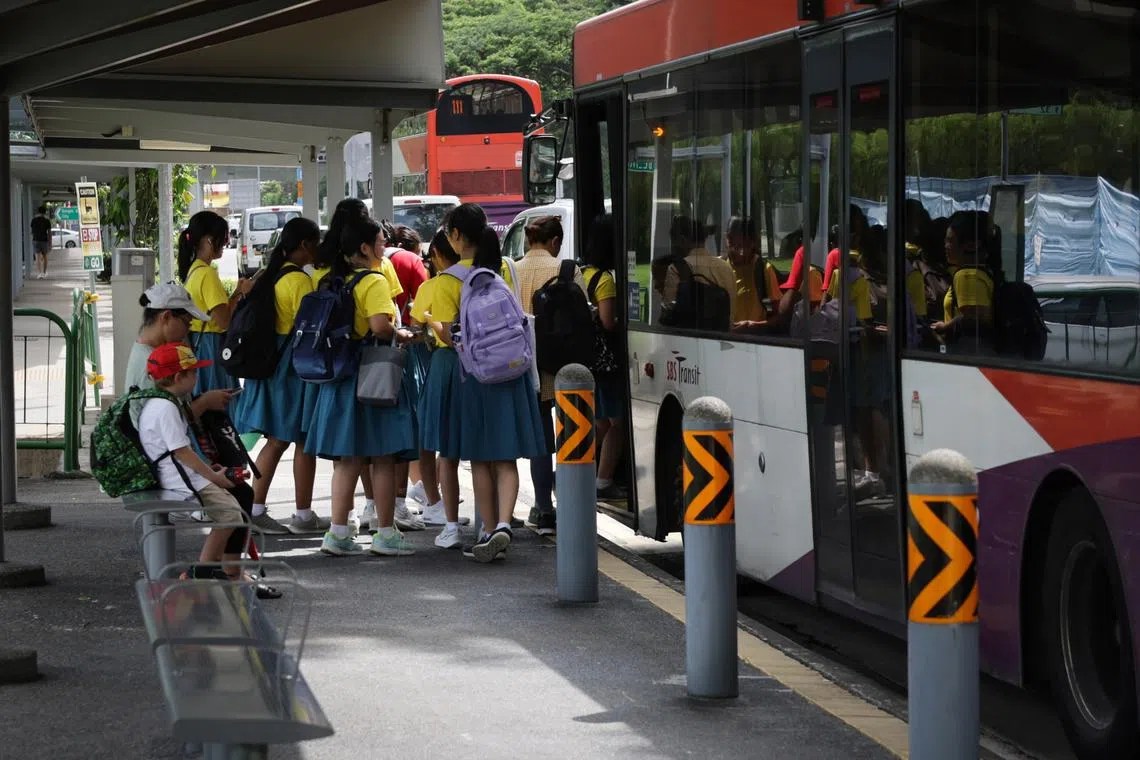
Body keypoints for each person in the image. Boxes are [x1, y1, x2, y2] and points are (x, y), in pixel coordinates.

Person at [426, 203, 545, 562]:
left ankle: (488, 529)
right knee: (505, 457)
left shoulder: (455, 277)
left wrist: (434, 326)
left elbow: (454, 335)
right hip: (513, 369)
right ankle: (506, 524)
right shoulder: (505, 269)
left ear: (459, 236)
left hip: (477, 376)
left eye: (449, 232)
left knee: (480, 457)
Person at [307, 217, 420, 557]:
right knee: (383, 456)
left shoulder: (330, 280)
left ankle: (338, 533)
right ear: (364, 248)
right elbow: (379, 327)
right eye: (381, 242)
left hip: (339, 377)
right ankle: (385, 533)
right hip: (372, 374)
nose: (385, 247)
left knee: (347, 459)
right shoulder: (374, 281)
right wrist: (402, 333)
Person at [232, 217, 322, 536]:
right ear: (303, 245)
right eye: (315, 242)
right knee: (286, 438)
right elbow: (309, 325)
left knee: (287, 438)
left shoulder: (270, 275)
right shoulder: (298, 281)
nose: (318, 248)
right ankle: (263, 510)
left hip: (272, 362)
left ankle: (300, 512)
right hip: (291, 365)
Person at [137, 343, 250, 581]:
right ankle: (200, 571)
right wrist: (213, 476)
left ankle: (207, 568)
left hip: (176, 475)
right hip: (180, 479)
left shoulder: (157, 402)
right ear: (179, 377)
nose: (197, 377)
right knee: (230, 514)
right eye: (194, 372)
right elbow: (182, 452)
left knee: (231, 509)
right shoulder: (166, 407)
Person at [513, 215, 585, 535]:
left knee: (541, 440)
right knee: (571, 434)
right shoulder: (569, 270)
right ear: (555, 242)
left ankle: (544, 508)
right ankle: (572, 502)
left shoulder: (513, 271)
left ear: (529, 241)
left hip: (530, 367)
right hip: (567, 368)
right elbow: (586, 316)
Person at [411, 230, 468, 549]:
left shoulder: (433, 286)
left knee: (436, 440)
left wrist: (432, 321)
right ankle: (494, 520)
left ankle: (444, 514)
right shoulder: (477, 278)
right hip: (478, 366)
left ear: (436, 254)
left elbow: (422, 325)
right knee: (471, 444)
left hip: (444, 365)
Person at [383, 224, 437, 524]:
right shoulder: (409, 261)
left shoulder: (369, 265)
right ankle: (406, 500)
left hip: (371, 356)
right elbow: (421, 308)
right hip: (406, 347)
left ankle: (372, 505)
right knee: (410, 423)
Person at [581, 214, 627, 503]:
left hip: (585, 358)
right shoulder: (605, 280)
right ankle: (603, 480)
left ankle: (580, 472)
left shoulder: (580, 273)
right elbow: (609, 322)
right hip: (606, 361)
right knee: (618, 422)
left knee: (599, 421)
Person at [179, 211, 250, 397]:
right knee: (219, 407)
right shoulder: (207, 274)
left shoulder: (194, 270)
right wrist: (241, 294)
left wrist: (235, 292)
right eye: (223, 237)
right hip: (212, 349)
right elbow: (224, 321)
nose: (226, 242)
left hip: (198, 345)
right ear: (210, 240)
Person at [933, 210, 996, 348]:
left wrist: (945, 327)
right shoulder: (984, 271)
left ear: (972, 245)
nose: (945, 246)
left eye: (950, 240)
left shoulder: (967, 275)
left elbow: (974, 317)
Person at [660, 216, 737, 327]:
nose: (673, 249)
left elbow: (667, 314)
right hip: (721, 340)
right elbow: (731, 316)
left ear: (682, 240)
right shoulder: (727, 268)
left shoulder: (675, 269)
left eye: (674, 243)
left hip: (688, 340)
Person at [30, 206, 51, 280]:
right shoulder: (47, 220)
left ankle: (40, 273)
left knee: (37, 257)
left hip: (36, 240)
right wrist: (50, 243)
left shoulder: (33, 220)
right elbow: (49, 233)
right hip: (44, 240)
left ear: (38, 212)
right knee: (45, 256)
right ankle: (44, 272)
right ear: (45, 212)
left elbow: (32, 232)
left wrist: (33, 238)